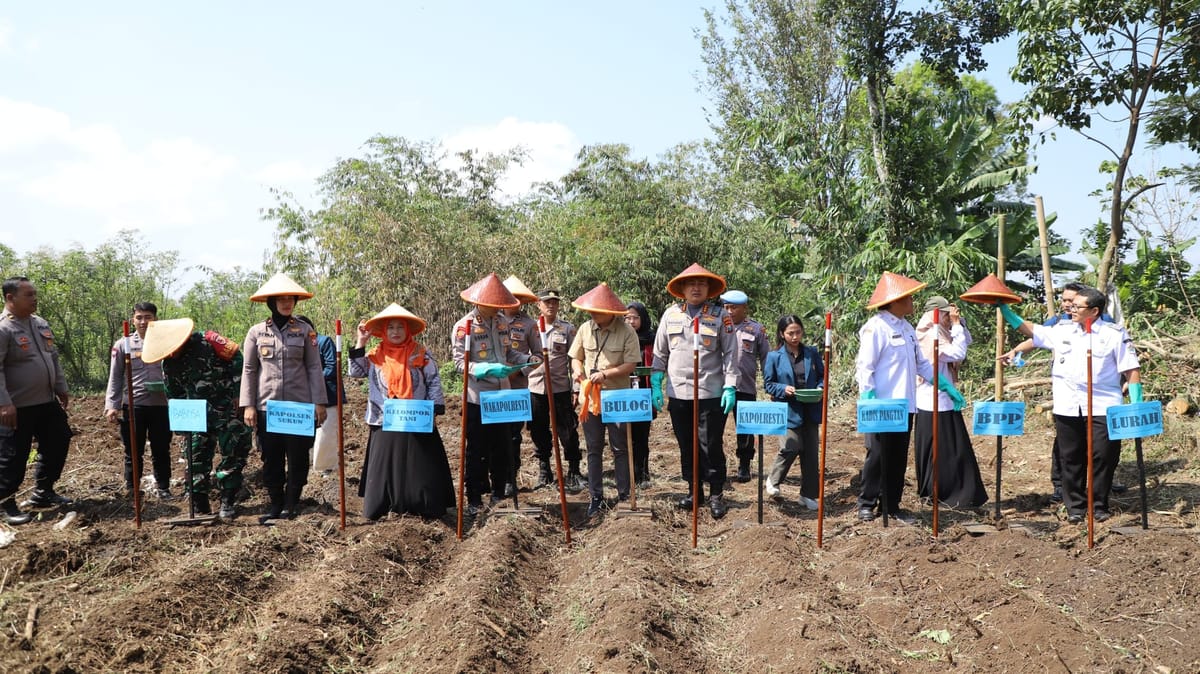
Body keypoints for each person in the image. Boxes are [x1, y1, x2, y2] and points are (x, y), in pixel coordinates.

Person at [997, 287, 1141, 523]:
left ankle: (1099, 505)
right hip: (1068, 405)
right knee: (1070, 457)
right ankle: (1075, 506)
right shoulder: (1062, 330)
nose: (1071, 309)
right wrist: (1005, 310)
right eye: (1071, 305)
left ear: (1094, 311)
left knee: (1104, 456)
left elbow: (1131, 370)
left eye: (1077, 306)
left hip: (1103, 406)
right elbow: (1031, 330)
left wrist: (1137, 404)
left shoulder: (1114, 334)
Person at [854, 272, 962, 523]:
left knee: (898, 457)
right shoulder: (876, 327)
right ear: (895, 301)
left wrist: (945, 385)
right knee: (877, 455)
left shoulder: (907, 329)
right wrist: (868, 396)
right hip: (881, 404)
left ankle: (892, 505)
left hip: (905, 405)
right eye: (909, 298)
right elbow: (865, 366)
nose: (913, 301)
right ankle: (867, 503)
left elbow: (921, 364)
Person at [349, 303, 454, 520]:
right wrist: (361, 342)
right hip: (384, 417)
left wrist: (435, 408)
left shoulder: (420, 353)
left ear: (407, 330)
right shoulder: (375, 355)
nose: (395, 332)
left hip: (416, 416)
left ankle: (423, 505)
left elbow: (433, 380)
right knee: (384, 465)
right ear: (384, 331)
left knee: (420, 462)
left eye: (400, 327)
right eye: (390, 328)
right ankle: (383, 505)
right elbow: (355, 372)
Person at [651, 263, 739, 520]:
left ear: (709, 289)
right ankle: (694, 491)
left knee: (710, 444)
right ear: (682, 289)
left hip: (710, 392)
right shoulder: (670, 315)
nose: (696, 288)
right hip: (679, 393)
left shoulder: (721, 316)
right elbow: (660, 352)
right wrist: (656, 382)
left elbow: (731, 354)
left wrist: (730, 385)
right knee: (686, 444)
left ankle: (716, 494)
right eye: (691, 284)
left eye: (701, 284)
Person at [142, 318, 253, 519]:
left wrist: (240, 394)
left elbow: (238, 360)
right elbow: (174, 393)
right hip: (195, 413)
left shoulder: (208, 341)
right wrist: (180, 422)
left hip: (228, 409)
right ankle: (199, 504)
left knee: (234, 452)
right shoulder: (169, 364)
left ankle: (228, 501)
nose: (171, 353)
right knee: (195, 457)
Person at [240, 273, 328, 522]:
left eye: (291, 299)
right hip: (268, 408)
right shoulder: (256, 332)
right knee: (271, 458)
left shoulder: (305, 331)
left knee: (298, 457)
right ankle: (275, 504)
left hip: (298, 408)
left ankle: (291, 504)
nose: (287, 303)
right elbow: (249, 369)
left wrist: (319, 403)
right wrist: (248, 405)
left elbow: (314, 367)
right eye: (281, 299)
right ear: (271, 302)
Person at [451, 273, 538, 515]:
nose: (498, 307)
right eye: (494, 303)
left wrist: (527, 359)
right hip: (478, 397)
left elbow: (509, 354)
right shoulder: (464, 327)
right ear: (481, 302)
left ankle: (499, 494)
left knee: (503, 446)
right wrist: (485, 369)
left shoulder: (501, 323)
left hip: (502, 396)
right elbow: (459, 363)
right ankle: (474, 499)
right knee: (476, 450)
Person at [0, 277, 73, 525]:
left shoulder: (40, 323)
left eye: (34, 294)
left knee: (59, 439)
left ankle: (43, 491)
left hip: (45, 401)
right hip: (16, 406)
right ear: (10, 298)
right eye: (29, 295)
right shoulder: (3, 328)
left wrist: (61, 387)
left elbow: (53, 357)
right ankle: (5, 503)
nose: (35, 299)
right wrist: (4, 403)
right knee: (13, 455)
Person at [569, 283, 641, 517]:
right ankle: (596, 496)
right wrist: (577, 371)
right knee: (593, 448)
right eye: (591, 310)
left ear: (610, 311)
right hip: (590, 399)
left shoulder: (626, 331)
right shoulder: (585, 329)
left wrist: (606, 374)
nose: (592, 314)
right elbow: (576, 357)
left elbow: (631, 364)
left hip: (616, 397)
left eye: (597, 310)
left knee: (620, 447)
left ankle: (624, 495)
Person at [913, 296, 987, 509]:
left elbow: (966, 340)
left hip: (943, 398)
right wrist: (956, 325)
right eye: (946, 314)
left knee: (950, 448)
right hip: (933, 398)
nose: (950, 317)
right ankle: (945, 493)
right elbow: (958, 352)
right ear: (936, 314)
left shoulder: (941, 331)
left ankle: (949, 493)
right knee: (945, 450)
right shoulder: (931, 334)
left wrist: (958, 323)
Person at [104, 302, 173, 500]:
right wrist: (112, 405)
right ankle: (132, 488)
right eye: (139, 318)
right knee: (133, 450)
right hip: (134, 406)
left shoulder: (166, 343)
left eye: (148, 317)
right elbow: (116, 376)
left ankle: (163, 487)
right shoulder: (123, 344)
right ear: (133, 320)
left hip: (161, 405)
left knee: (161, 448)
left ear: (155, 319)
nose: (143, 322)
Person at [761, 315, 823, 510]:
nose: (795, 337)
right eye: (790, 333)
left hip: (810, 407)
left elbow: (822, 376)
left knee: (811, 454)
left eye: (798, 332)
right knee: (791, 445)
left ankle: (808, 495)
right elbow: (768, 384)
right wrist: (783, 389)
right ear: (782, 334)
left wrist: (820, 388)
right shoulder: (774, 356)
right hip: (788, 408)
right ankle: (773, 479)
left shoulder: (811, 353)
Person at [526, 289, 583, 491]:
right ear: (538, 305)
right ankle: (545, 471)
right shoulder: (531, 328)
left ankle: (574, 470)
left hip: (560, 388)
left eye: (554, 302)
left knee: (567, 430)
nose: (551, 305)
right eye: (547, 302)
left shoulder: (567, 329)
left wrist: (576, 388)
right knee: (538, 430)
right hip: (536, 387)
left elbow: (575, 360)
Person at [719, 290, 771, 482]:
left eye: (734, 307)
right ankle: (718, 466)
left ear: (744, 308)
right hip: (720, 387)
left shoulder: (756, 329)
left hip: (745, 387)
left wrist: (769, 383)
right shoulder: (718, 326)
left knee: (745, 429)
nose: (729, 311)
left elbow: (766, 358)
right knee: (715, 428)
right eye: (726, 307)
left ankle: (744, 464)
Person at [501, 275, 542, 494]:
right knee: (493, 435)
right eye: (509, 296)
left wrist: (519, 370)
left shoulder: (529, 324)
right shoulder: (491, 320)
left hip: (517, 388)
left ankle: (510, 478)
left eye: (517, 297)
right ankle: (495, 479)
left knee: (513, 436)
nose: (513, 301)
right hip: (492, 388)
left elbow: (538, 356)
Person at [297, 315, 344, 478]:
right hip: (305, 397)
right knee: (308, 433)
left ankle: (327, 467)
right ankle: (311, 466)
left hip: (328, 395)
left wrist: (312, 379)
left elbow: (333, 366)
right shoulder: (297, 345)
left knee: (326, 432)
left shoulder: (324, 341)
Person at [624, 301, 655, 487]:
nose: (631, 321)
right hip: (623, 392)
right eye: (627, 318)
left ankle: (642, 472)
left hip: (644, 392)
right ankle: (627, 473)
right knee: (625, 435)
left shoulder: (651, 339)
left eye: (635, 317)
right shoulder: (620, 337)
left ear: (643, 319)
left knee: (642, 435)